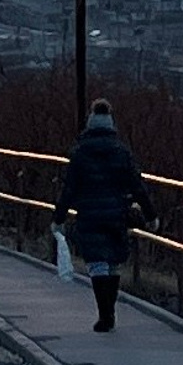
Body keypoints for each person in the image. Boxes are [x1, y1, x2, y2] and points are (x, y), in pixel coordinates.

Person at [53, 99, 157, 333]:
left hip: (89, 213)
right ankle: (109, 311)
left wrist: (58, 217)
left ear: (90, 122)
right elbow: (137, 185)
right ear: (111, 123)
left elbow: (69, 189)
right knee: (112, 264)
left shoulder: (80, 153)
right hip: (116, 213)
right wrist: (150, 215)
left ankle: (105, 314)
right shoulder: (121, 151)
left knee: (97, 263)